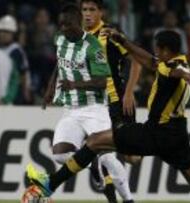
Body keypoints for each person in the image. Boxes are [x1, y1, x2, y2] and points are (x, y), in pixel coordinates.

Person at [23, 7, 190, 203]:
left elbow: (168, 69)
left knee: (94, 142)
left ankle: (50, 184)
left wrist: (183, 74)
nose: (156, 54)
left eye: (157, 49)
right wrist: (124, 41)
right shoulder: (176, 60)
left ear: (165, 50)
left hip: (155, 132)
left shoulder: (173, 66)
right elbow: (151, 61)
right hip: (177, 136)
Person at [35, 3, 133, 203]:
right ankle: (92, 163)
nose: (63, 28)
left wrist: (75, 84)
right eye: (61, 24)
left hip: (95, 109)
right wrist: (50, 87)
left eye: (67, 24)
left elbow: (101, 81)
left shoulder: (92, 46)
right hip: (70, 110)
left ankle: (128, 199)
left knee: (108, 158)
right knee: (60, 155)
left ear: (78, 22)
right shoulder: (60, 39)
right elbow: (60, 62)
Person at [80, 0, 141, 202]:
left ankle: (97, 161)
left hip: (119, 102)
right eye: (84, 10)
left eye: (91, 10)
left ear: (101, 12)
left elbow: (136, 60)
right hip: (95, 105)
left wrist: (130, 92)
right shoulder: (79, 38)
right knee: (102, 154)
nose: (87, 14)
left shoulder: (109, 34)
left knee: (133, 158)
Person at [0, 15, 32, 105]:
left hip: (14, 90)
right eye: (1, 31)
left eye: (7, 32)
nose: (3, 34)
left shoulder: (16, 51)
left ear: (13, 34)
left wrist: (25, 92)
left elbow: (23, 74)